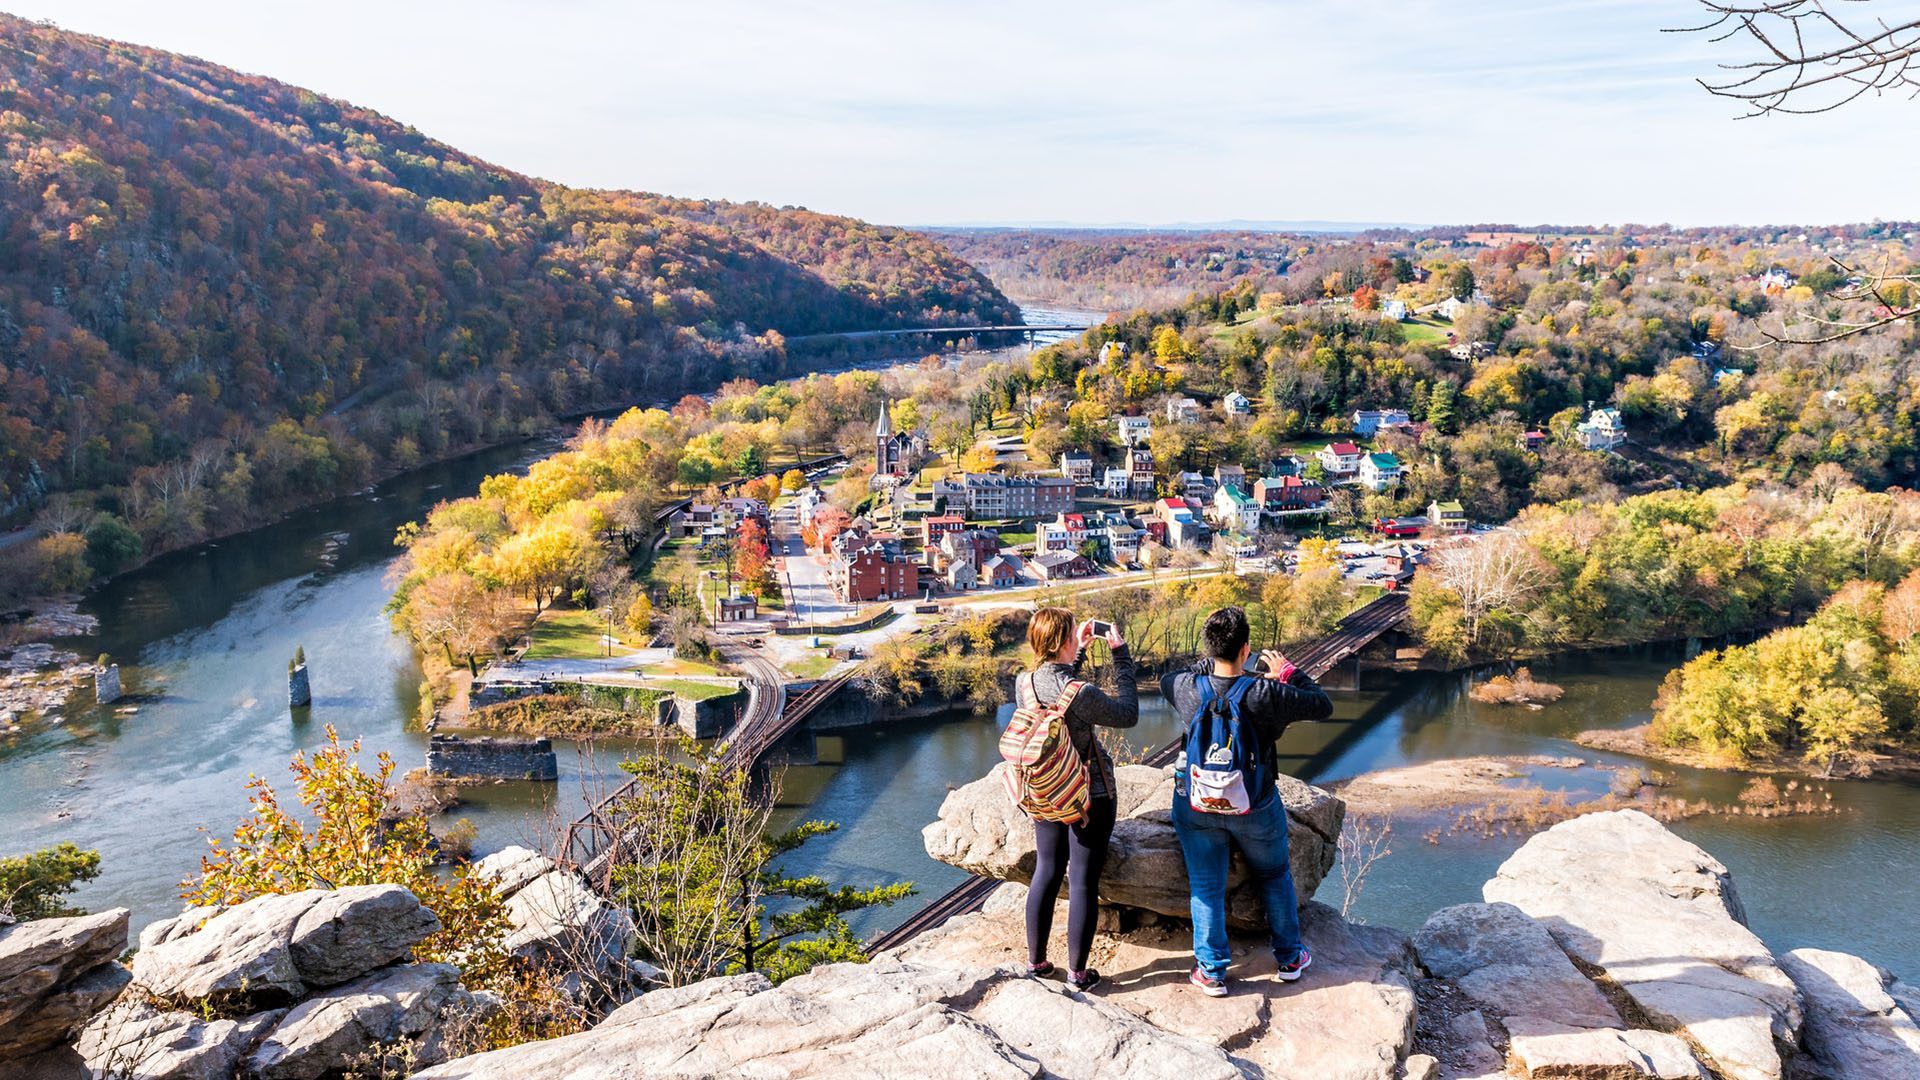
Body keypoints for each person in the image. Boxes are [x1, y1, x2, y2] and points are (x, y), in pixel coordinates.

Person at [1163, 606, 1333, 997]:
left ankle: (1212, 972)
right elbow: (1322, 704)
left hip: (1197, 804)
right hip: (1254, 804)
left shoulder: (1186, 687)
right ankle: (1289, 958)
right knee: (1274, 875)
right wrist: (1287, 673)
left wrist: (1209, 662)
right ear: (1246, 648)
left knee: (1206, 885)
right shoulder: (1266, 693)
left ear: (1209, 648)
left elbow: (1168, 677)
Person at [1014, 606, 1138, 992]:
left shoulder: (1024, 683)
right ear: (1064, 640)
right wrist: (1120, 655)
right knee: (1082, 880)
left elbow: (1058, 696)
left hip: (1044, 789)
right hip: (1087, 795)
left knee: (1047, 869)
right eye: (1072, 634)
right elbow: (1128, 714)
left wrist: (1077, 652)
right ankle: (1078, 974)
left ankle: (1037, 962)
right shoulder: (1082, 693)